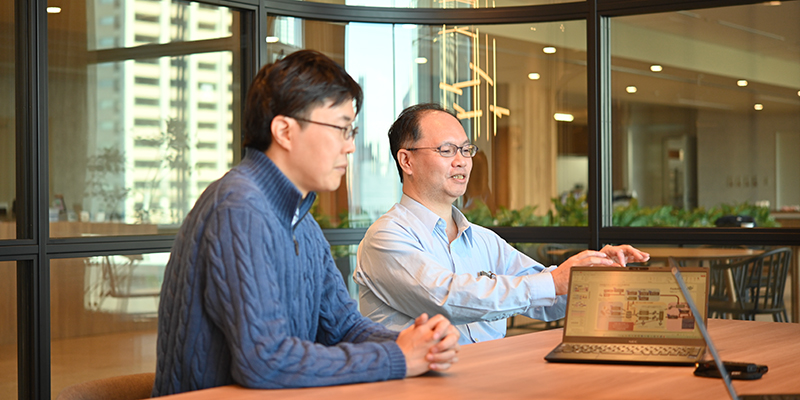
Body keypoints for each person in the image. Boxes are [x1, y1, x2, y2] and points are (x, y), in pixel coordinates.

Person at [152, 52, 459, 397]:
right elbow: (265, 361)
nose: (350, 147)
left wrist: (416, 344)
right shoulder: (239, 207)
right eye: (341, 129)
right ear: (285, 131)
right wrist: (398, 357)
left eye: (352, 131)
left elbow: (343, 326)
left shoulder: (301, 219)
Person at [354, 103, 650, 345]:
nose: (462, 161)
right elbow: (447, 299)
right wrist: (554, 281)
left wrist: (593, 275)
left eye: (466, 150)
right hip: (420, 385)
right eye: (447, 150)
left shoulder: (484, 240)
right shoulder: (386, 237)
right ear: (406, 161)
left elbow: (545, 300)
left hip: (491, 375)